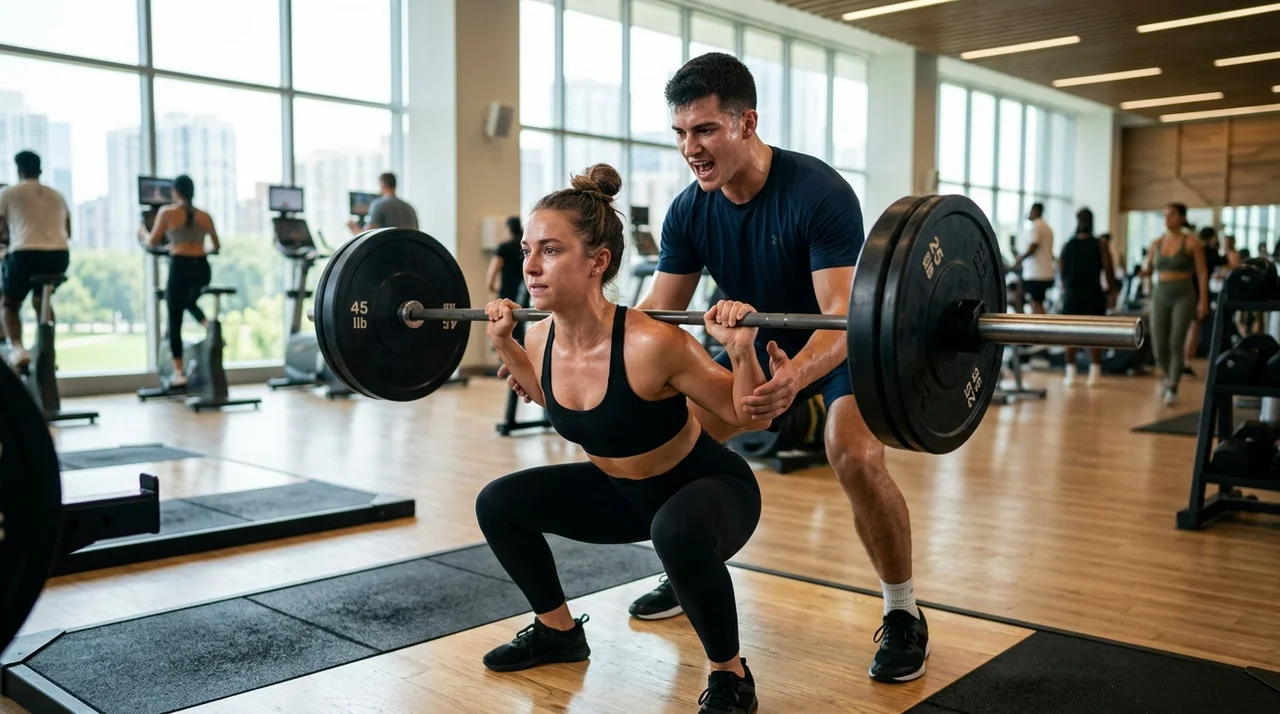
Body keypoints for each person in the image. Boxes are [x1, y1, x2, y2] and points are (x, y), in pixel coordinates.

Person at [505, 52, 930, 684]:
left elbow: (840, 316)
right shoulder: (689, 210)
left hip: (834, 348)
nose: (690, 148)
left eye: (704, 130)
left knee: (853, 454)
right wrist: (580, 359)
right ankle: (688, 564)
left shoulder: (818, 193)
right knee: (678, 439)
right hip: (750, 349)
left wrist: (795, 379)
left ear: (745, 122)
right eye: (680, 133)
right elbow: (651, 321)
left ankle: (902, 611)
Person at [478, 163, 767, 714]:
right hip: (624, 496)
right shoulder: (539, 336)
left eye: (551, 251)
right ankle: (558, 632)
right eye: (526, 250)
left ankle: (730, 674)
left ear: (598, 262)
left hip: (709, 492)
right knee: (499, 503)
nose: (531, 267)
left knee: (674, 531)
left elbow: (745, 413)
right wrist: (505, 344)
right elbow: (547, 394)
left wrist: (744, 346)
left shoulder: (651, 342)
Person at [138, 174, 220, 388]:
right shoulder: (205, 215)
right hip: (202, 269)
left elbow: (152, 241)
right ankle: (208, 326)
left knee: (174, 319)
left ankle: (178, 373)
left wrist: (142, 233)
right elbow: (216, 246)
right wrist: (200, 251)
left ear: (175, 192)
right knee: (189, 302)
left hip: (180, 267)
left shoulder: (168, 212)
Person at [0, 151, 71, 371]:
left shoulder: (8, 193)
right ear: (39, 169)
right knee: (42, 299)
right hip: (59, 256)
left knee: (9, 303)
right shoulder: (57, 195)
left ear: (19, 170)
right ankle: (47, 348)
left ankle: (18, 349)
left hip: (25, 256)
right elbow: (68, 231)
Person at [1141, 202, 1208, 407]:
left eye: (1171, 215)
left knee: (1175, 342)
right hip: (1161, 293)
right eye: (1165, 215)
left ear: (1181, 218)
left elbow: (1202, 272)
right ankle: (1167, 375)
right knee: (1159, 344)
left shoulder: (1191, 242)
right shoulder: (1157, 242)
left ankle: (1172, 385)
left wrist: (1204, 301)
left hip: (1183, 293)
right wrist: (1145, 273)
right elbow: (1147, 267)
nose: (1167, 219)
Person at [1057, 208, 1116, 386]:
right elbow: (1108, 270)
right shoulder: (1098, 244)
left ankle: (1076, 373)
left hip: (1077, 293)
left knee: (1076, 333)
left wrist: (1066, 290)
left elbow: (1061, 272)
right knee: (1090, 333)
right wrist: (1112, 290)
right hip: (1090, 292)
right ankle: (1091, 372)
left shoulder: (1069, 245)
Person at [487, 216, 529, 343]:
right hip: (525, 290)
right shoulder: (524, 247)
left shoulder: (504, 247)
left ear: (508, 229)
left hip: (508, 290)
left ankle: (509, 350)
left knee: (506, 319)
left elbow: (493, 269)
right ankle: (522, 348)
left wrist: (491, 286)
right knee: (522, 322)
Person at [1013, 202, 1056, 315]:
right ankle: (1040, 325)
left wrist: (1020, 259)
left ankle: (1040, 326)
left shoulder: (1036, 225)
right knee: (1037, 302)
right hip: (1045, 272)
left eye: (1031, 210)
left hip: (1036, 273)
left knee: (1034, 302)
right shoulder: (1047, 227)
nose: (1029, 213)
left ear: (1036, 211)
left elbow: (1034, 246)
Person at [348, 172, 417, 233]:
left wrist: (353, 228)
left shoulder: (379, 204)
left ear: (384, 184)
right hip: (410, 247)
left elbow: (366, 238)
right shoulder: (410, 207)